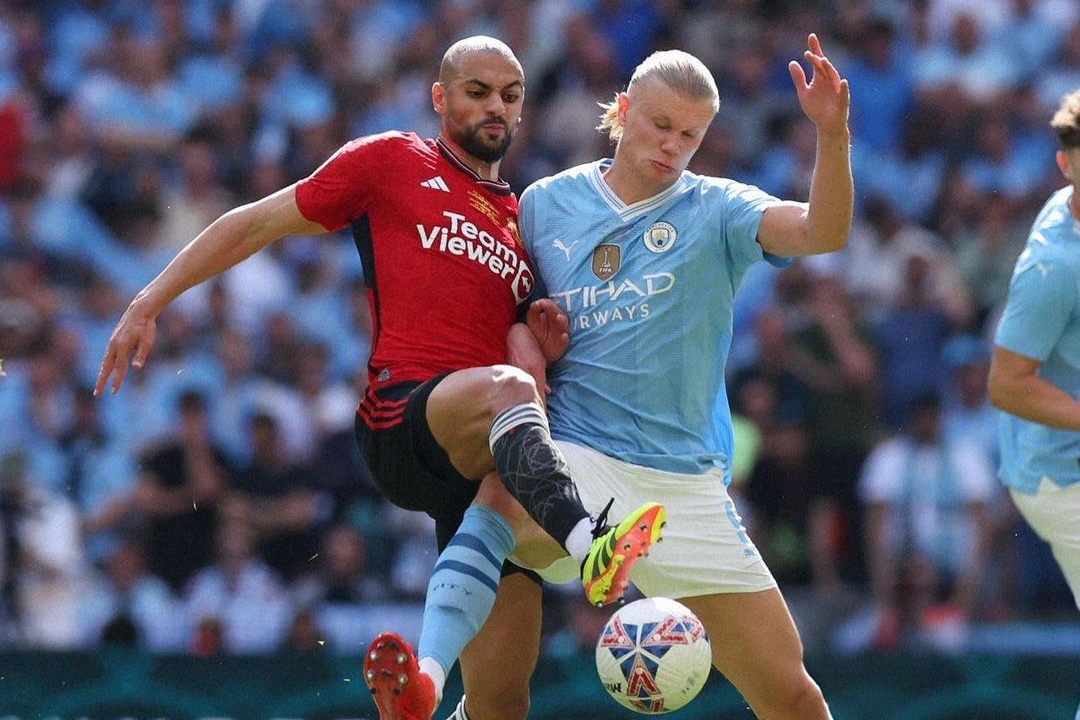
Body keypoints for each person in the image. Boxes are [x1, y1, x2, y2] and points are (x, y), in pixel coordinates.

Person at [92, 35, 666, 720]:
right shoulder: (393, 159)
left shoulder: (523, 224)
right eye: (478, 91)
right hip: (405, 416)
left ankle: (423, 687)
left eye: (510, 95)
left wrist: (546, 343)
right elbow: (257, 223)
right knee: (509, 394)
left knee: (502, 700)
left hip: (490, 457)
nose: (496, 106)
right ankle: (593, 547)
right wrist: (149, 300)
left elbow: (527, 356)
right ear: (440, 98)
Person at [442, 34, 852, 720]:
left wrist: (832, 136)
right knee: (496, 497)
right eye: (661, 125)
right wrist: (528, 344)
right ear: (625, 109)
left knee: (792, 697)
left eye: (690, 136)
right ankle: (433, 675)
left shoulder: (719, 208)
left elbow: (823, 233)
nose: (672, 146)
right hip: (579, 459)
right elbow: (503, 315)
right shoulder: (544, 204)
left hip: (683, 485)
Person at [987, 87, 1080, 720]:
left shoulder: (1063, 201)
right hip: (1061, 477)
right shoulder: (1056, 268)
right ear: (1066, 166)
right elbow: (1007, 385)